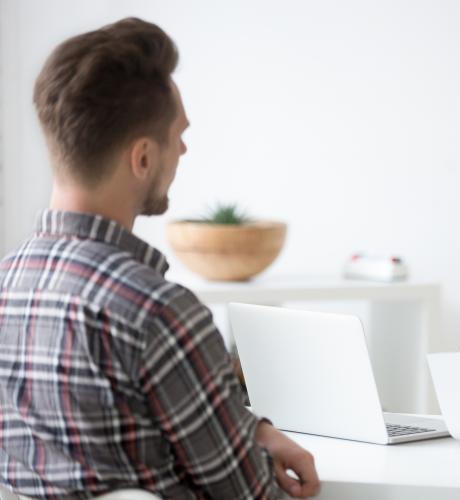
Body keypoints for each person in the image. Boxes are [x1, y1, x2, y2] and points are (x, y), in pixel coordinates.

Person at [0, 18, 319, 498]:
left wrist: (253, 428)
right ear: (143, 158)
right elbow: (252, 495)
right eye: (179, 134)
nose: (184, 148)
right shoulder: (156, 312)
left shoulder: (7, 285)